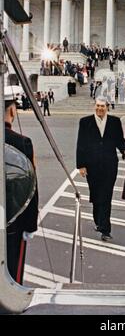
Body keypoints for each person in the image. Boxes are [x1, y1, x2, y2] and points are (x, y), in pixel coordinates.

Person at [76, 97, 125, 241]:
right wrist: (80, 165)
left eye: (103, 106)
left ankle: (105, 229)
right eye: (98, 106)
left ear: (107, 107)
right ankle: (98, 221)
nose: (100, 108)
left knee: (106, 195)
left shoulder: (114, 122)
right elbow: (81, 143)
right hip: (91, 165)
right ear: (95, 106)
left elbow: (120, 140)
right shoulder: (85, 122)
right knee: (95, 195)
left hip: (109, 164)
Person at [4, 86, 39, 284]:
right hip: (12, 220)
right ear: (12, 111)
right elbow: (30, 186)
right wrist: (30, 224)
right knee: (11, 272)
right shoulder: (22, 143)